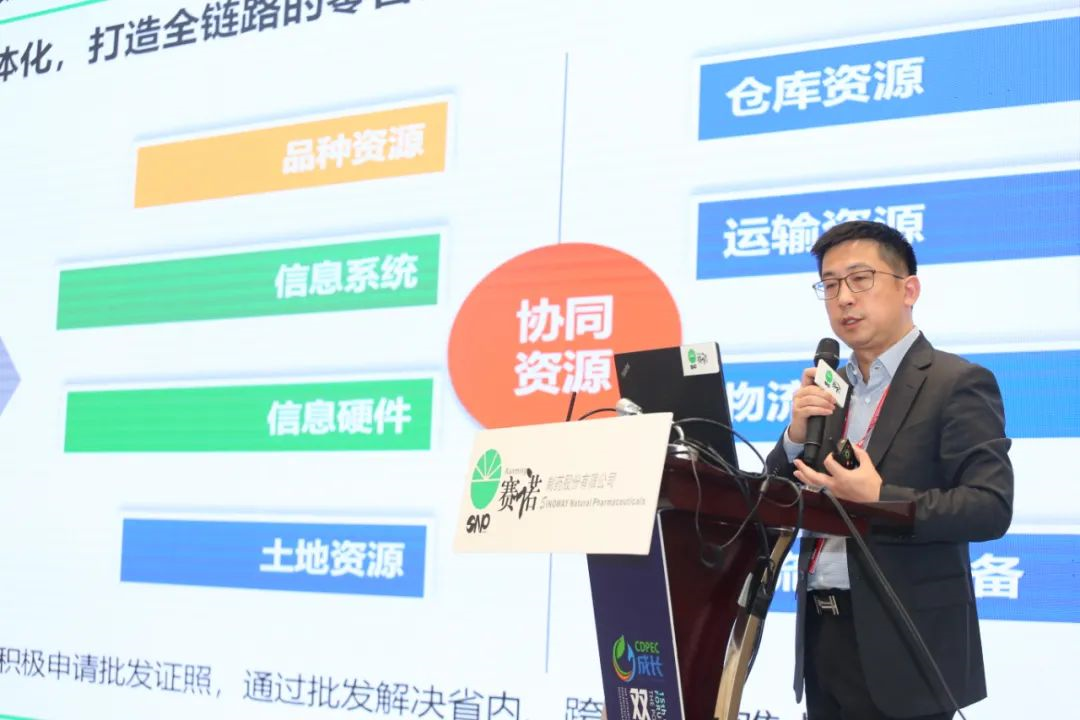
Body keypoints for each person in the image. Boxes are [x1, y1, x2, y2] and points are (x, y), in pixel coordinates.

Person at [765, 221, 1013, 719]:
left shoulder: (956, 382)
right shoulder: (829, 390)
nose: (843, 298)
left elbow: (990, 507)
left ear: (909, 289)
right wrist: (794, 437)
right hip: (824, 634)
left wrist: (879, 497)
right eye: (830, 285)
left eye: (860, 279)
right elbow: (775, 499)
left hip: (907, 647)